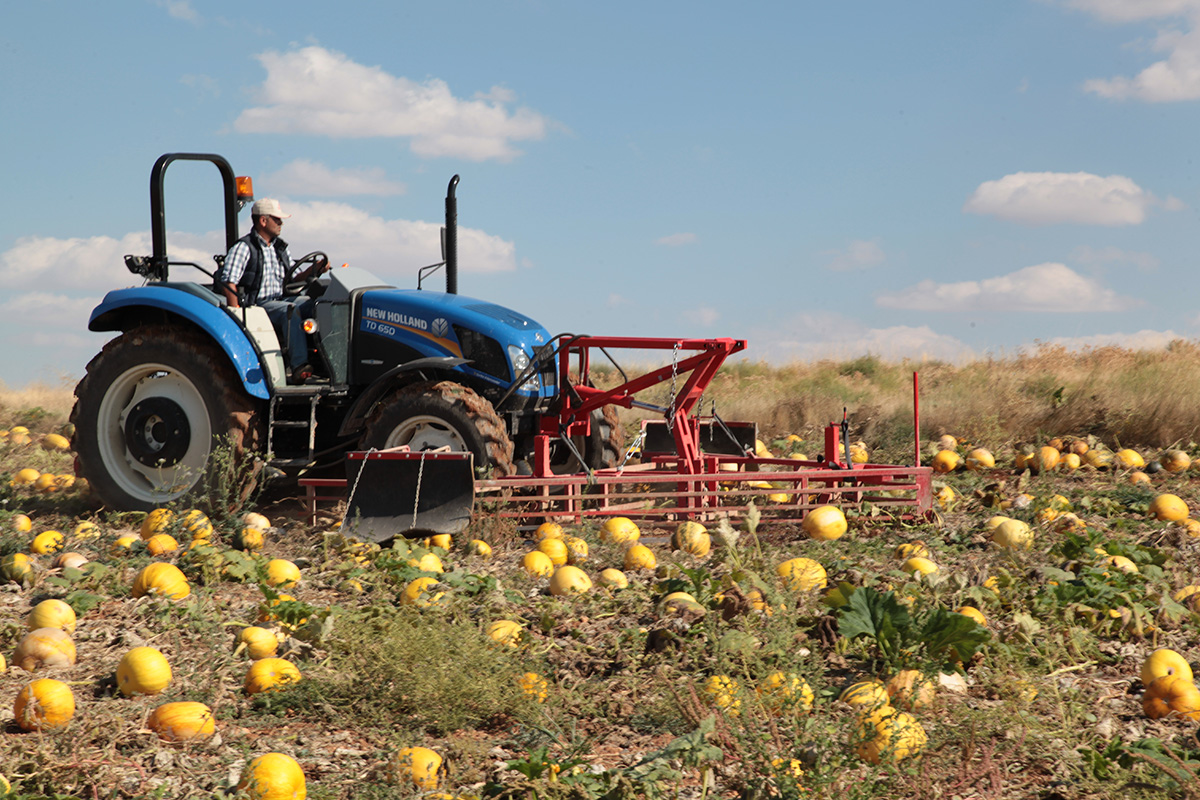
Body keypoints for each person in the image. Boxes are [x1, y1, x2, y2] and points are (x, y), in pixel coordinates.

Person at [217, 198, 327, 380]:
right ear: (263, 221)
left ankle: (324, 361)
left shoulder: (280, 248)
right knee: (291, 311)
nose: (281, 223)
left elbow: (293, 277)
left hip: (281, 299)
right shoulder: (244, 247)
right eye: (277, 219)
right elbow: (229, 281)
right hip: (258, 305)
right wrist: (236, 316)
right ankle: (299, 365)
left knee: (317, 304)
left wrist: (315, 269)